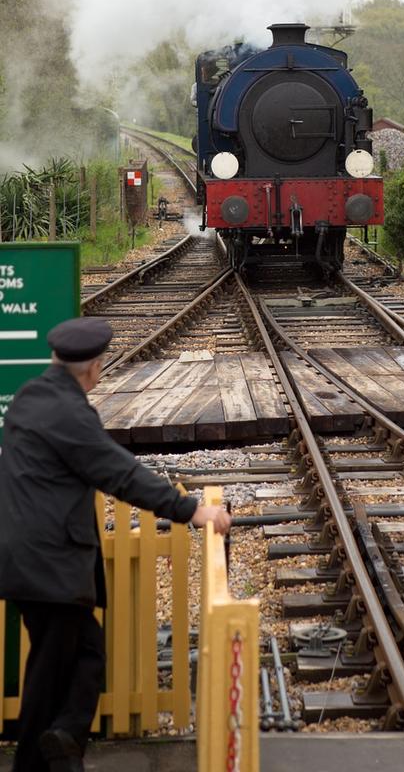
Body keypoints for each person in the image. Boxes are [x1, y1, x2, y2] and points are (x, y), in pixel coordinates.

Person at [0, 318, 231, 772]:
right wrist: (193, 511)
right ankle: (46, 753)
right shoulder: (70, 413)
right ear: (92, 370)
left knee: (83, 656)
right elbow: (120, 473)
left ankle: (64, 744)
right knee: (54, 674)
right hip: (50, 562)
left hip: (24, 554)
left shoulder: (29, 398)